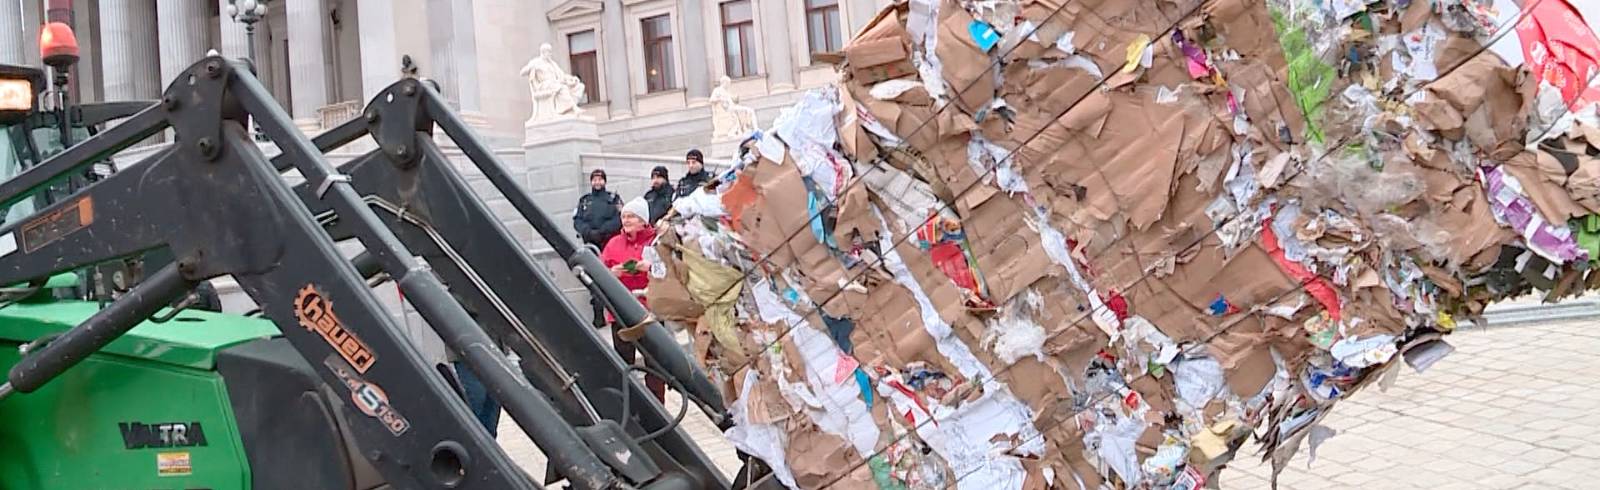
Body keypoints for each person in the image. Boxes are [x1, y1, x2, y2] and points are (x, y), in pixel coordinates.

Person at [603, 197, 666, 402]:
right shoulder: (613, 244)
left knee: (655, 364)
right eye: (624, 216)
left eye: (631, 216)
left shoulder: (656, 241)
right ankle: (630, 407)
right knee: (624, 363)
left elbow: (668, 270)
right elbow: (600, 273)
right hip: (619, 311)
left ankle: (659, 407)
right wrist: (614, 272)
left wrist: (648, 268)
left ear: (643, 220)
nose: (626, 220)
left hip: (650, 309)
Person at [574, 169, 622, 327]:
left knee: (612, 277)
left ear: (605, 181)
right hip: (591, 245)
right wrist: (588, 232)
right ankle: (598, 315)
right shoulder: (584, 201)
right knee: (593, 279)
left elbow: (619, 219)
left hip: (609, 243)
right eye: (594, 179)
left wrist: (603, 231)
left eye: (600, 179)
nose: (597, 182)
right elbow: (578, 221)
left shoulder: (613, 199)